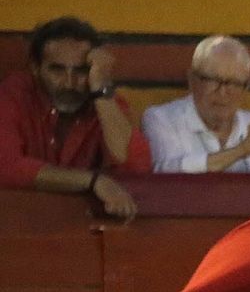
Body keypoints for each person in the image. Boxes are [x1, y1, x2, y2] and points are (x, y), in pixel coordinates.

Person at [0, 16, 149, 219]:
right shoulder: (15, 93)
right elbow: (7, 167)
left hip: (81, 230)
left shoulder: (102, 98)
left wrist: (100, 86)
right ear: (36, 69)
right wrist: (92, 181)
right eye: (57, 70)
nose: (69, 83)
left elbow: (136, 165)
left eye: (80, 71)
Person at [143, 36, 250, 174]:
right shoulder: (161, 118)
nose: (223, 92)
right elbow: (167, 170)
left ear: (247, 86)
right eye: (213, 80)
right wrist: (240, 151)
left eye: (234, 83)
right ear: (192, 80)